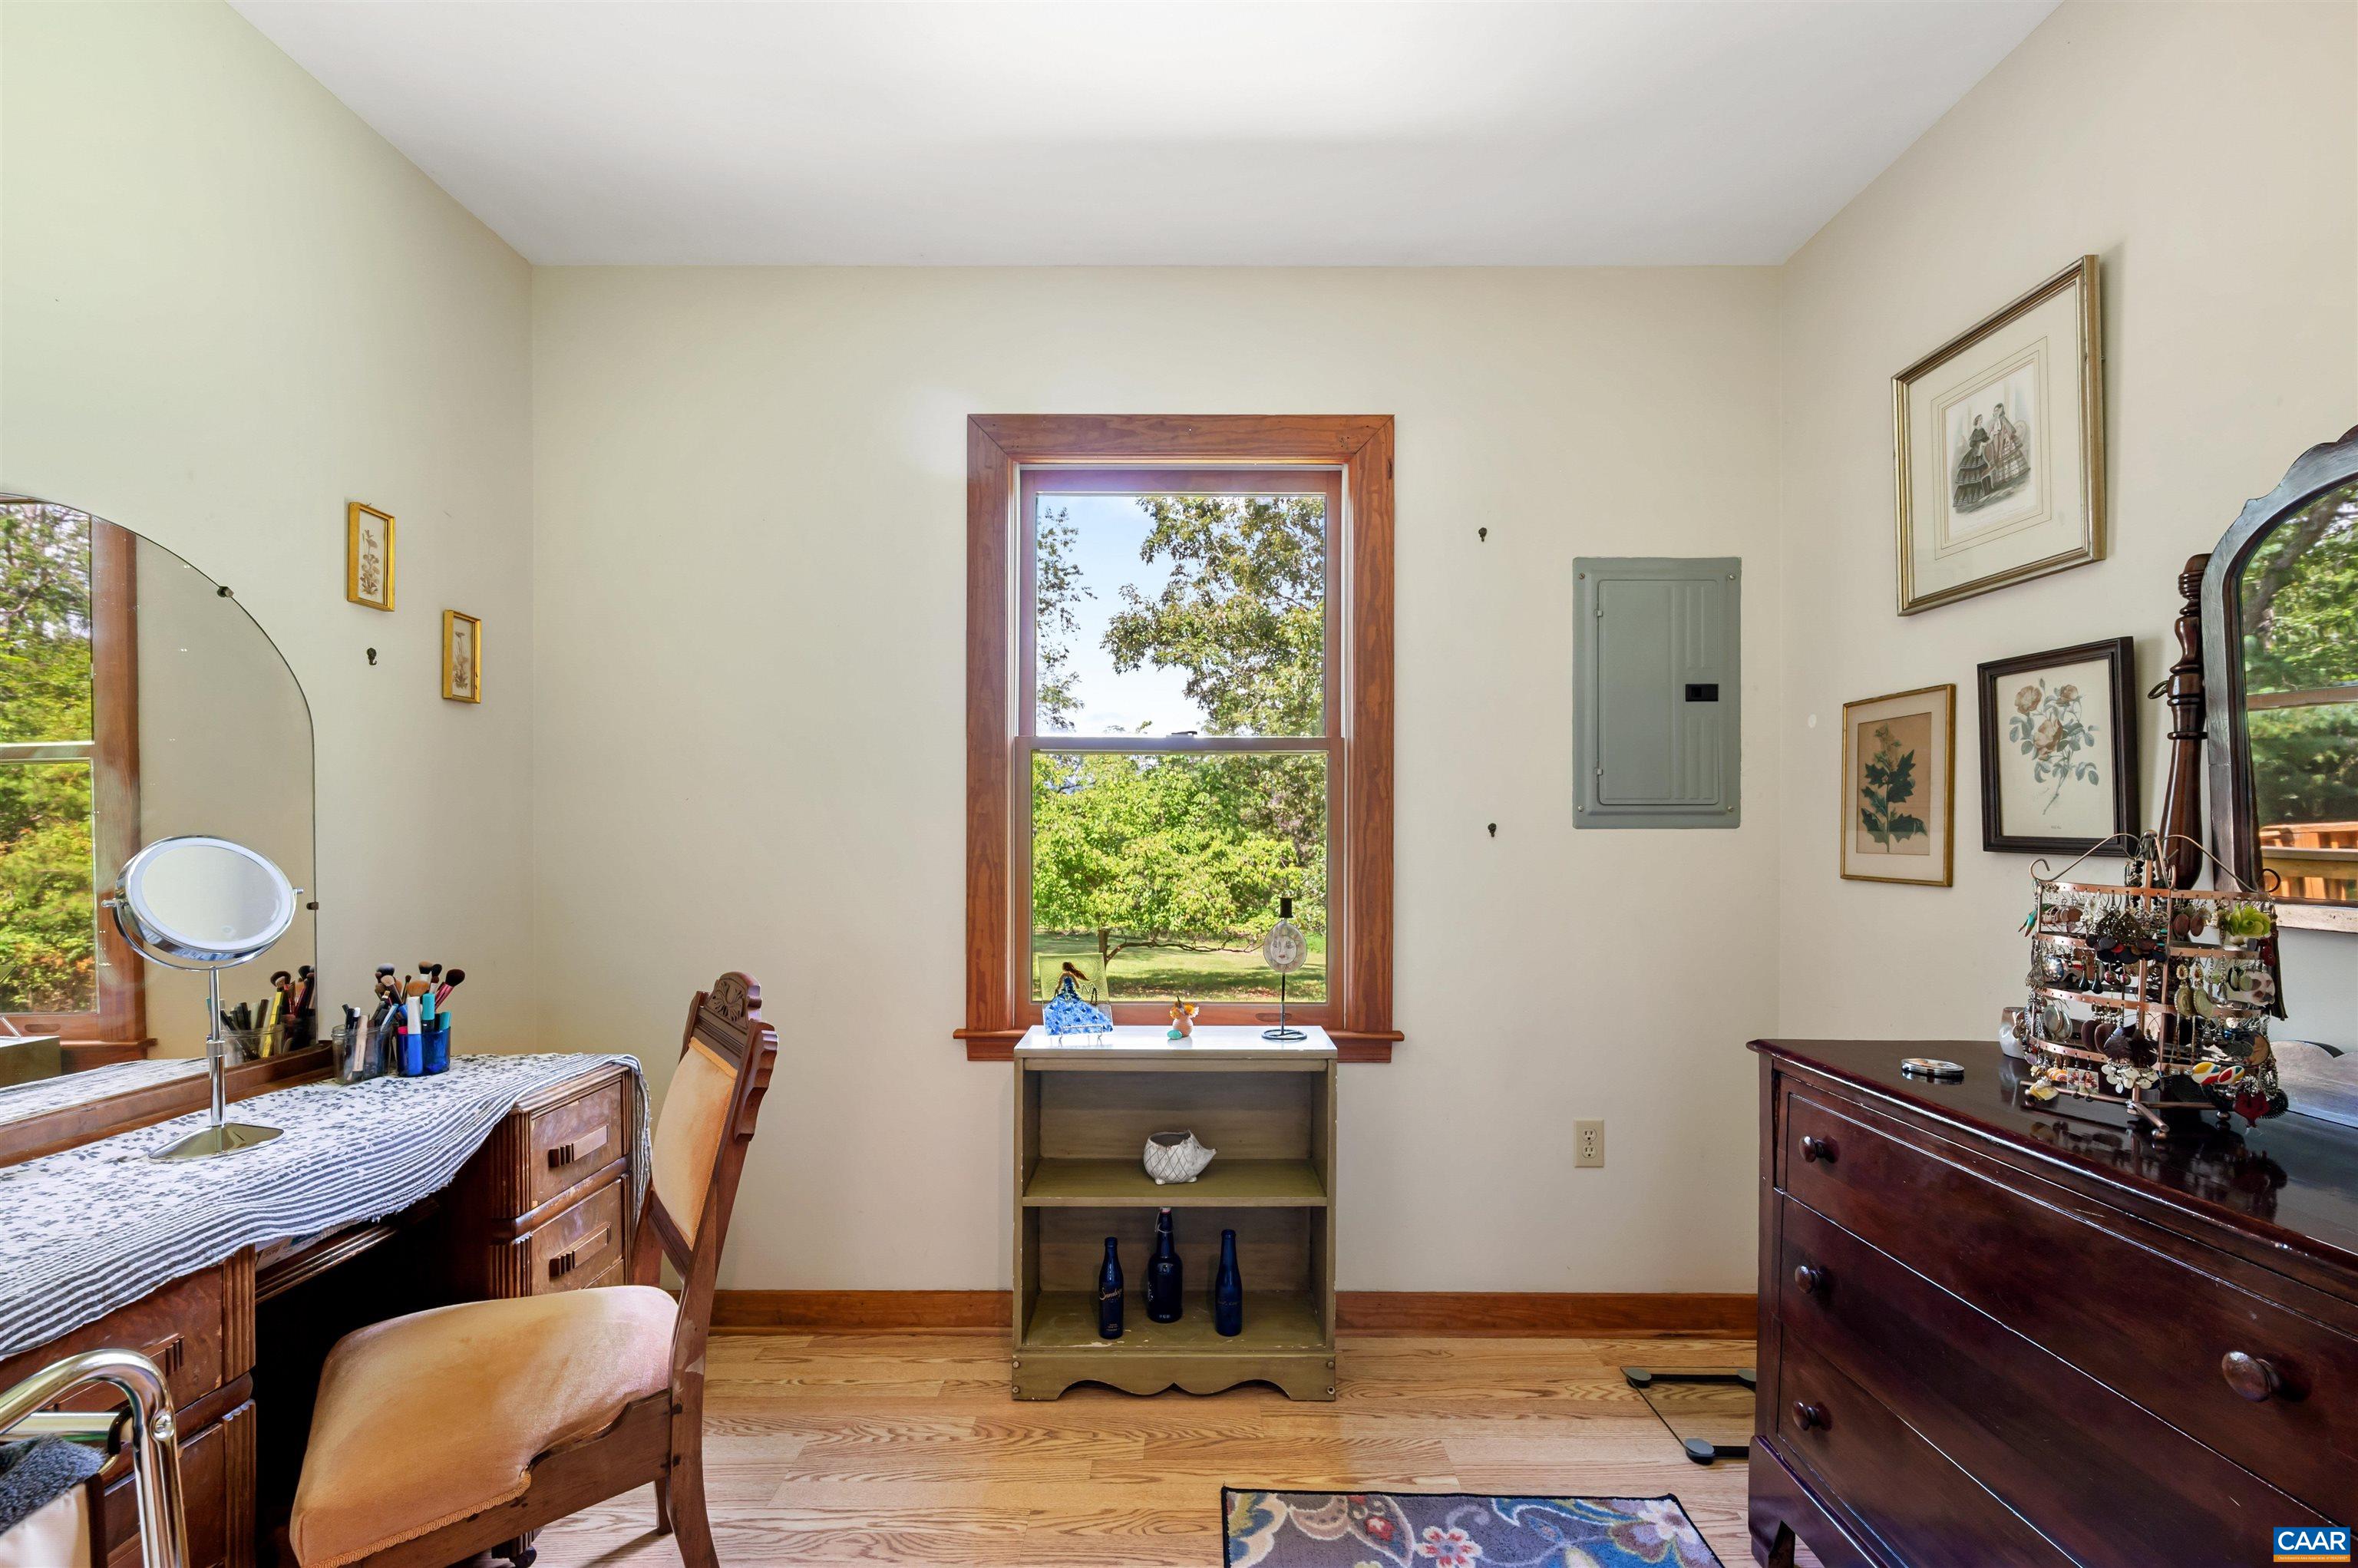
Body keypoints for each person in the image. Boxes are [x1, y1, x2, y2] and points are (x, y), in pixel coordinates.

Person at [1986, 400, 2029, 494]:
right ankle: (2004, 478)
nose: (1997, 412)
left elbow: (2009, 429)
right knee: (2000, 457)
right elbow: (1990, 434)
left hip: (2007, 441)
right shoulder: (1992, 422)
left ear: (2001, 411)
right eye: (1996, 411)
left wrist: (2007, 436)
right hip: (1997, 442)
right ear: (1994, 412)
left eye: (1999, 411)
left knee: (2011, 455)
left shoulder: (2003, 419)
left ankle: (2016, 473)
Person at [1953, 414, 1993, 510]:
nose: (1981, 421)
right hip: (1973, 455)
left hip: (1979, 455)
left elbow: (1987, 441)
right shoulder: (1976, 431)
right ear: (1977, 421)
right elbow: (1972, 444)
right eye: (1980, 420)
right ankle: (1969, 499)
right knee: (1970, 476)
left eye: (1982, 420)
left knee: (1981, 472)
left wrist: (1991, 435)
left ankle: (1985, 492)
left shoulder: (1982, 430)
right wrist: (1980, 444)